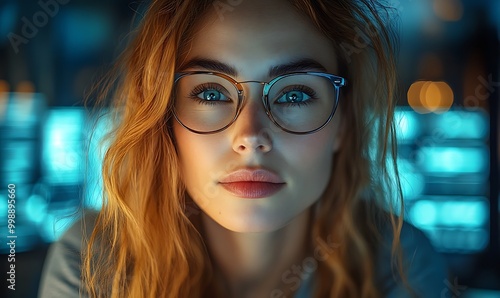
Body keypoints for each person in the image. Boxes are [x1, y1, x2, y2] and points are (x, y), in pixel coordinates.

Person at [38, 0, 449, 297]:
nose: (251, 135)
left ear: (344, 123)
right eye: (212, 94)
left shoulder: (401, 266)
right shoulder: (90, 264)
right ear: (165, 123)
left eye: (295, 95)